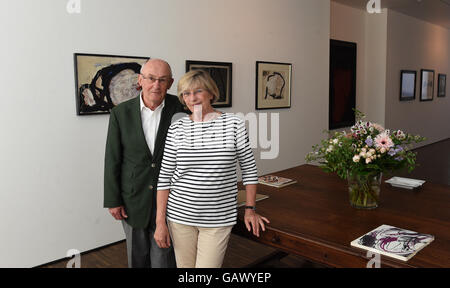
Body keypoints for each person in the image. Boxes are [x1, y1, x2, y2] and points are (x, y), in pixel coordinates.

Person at [154, 70, 269, 268]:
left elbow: (249, 169)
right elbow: (164, 177)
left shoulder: (234, 124)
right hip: (180, 216)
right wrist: (160, 222)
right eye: (186, 94)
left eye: (198, 91)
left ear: (211, 93)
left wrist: (250, 209)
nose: (192, 98)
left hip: (218, 217)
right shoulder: (177, 128)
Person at [103, 58, 184, 268]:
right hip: (133, 199)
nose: (156, 85)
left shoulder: (182, 108)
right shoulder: (120, 113)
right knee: (137, 259)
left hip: (171, 200)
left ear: (171, 82)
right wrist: (113, 199)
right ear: (140, 80)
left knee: (164, 260)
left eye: (162, 80)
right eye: (150, 78)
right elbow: (113, 158)